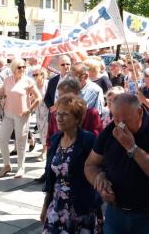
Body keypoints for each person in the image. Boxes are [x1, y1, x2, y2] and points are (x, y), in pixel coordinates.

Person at [85, 94, 149, 234]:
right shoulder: (110, 130)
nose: (121, 125)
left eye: (126, 120)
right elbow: (90, 165)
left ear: (139, 112)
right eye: (116, 120)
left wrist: (132, 148)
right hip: (116, 213)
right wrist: (99, 181)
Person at [41, 94, 103, 233]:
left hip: (80, 208)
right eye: (58, 113)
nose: (59, 117)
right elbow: (51, 178)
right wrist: (45, 207)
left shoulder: (88, 140)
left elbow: (99, 169)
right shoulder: (56, 139)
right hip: (56, 207)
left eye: (65, 114)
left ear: (77, 119)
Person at [0, 58, 42, 178]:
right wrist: (0, 93)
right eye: (19, 67)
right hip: (7, 114)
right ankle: (7, 165)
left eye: (24, 67)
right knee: (2, 140)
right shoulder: (7, 80)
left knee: (20, 142)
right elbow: (2, 92)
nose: (22, 69)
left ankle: (21, 167)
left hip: (22, 115)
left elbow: (38, 97)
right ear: (13, 68)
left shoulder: (28, 81)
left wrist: (30, 109)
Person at [71, 63, 104, 135]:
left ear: (86, 76)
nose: (72, 80)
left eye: (76, 77)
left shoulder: (96, 90)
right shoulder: (70, 88)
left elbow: (98, 114)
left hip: (87, 131)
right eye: (71, 76)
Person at [32, 68, 49, 161]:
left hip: (47, 111)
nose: (35, 77)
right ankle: (45, 150)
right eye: (33, 75)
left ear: (42, 74)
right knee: (41, 130)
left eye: (36, 74)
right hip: (38, 112)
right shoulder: (33, 85)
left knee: (45, 131)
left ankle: (44, 152)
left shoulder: (47, 84)